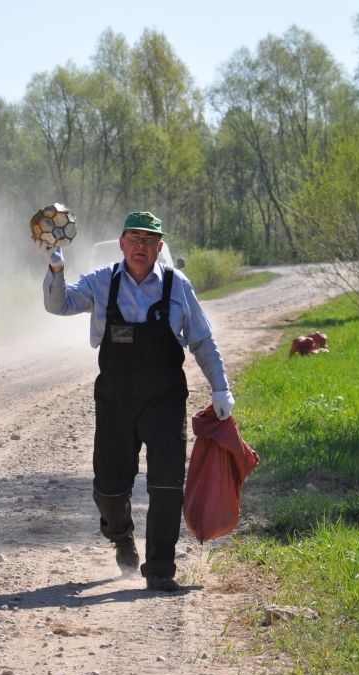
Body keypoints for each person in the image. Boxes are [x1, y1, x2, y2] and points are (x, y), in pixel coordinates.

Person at [35, 210, 235, 592]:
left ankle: (160, 568)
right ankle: (121, 534)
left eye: (149, 240)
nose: (140, 247)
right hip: (115, 401)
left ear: (160, 248)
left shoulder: (178, 286)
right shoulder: (101, 282)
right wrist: (56, 270)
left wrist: (220, 388)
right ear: (122, 243)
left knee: (166, 486)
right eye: (134, 238)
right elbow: (59, 306)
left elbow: (202, 341)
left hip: (164, 401)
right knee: (109, 489)